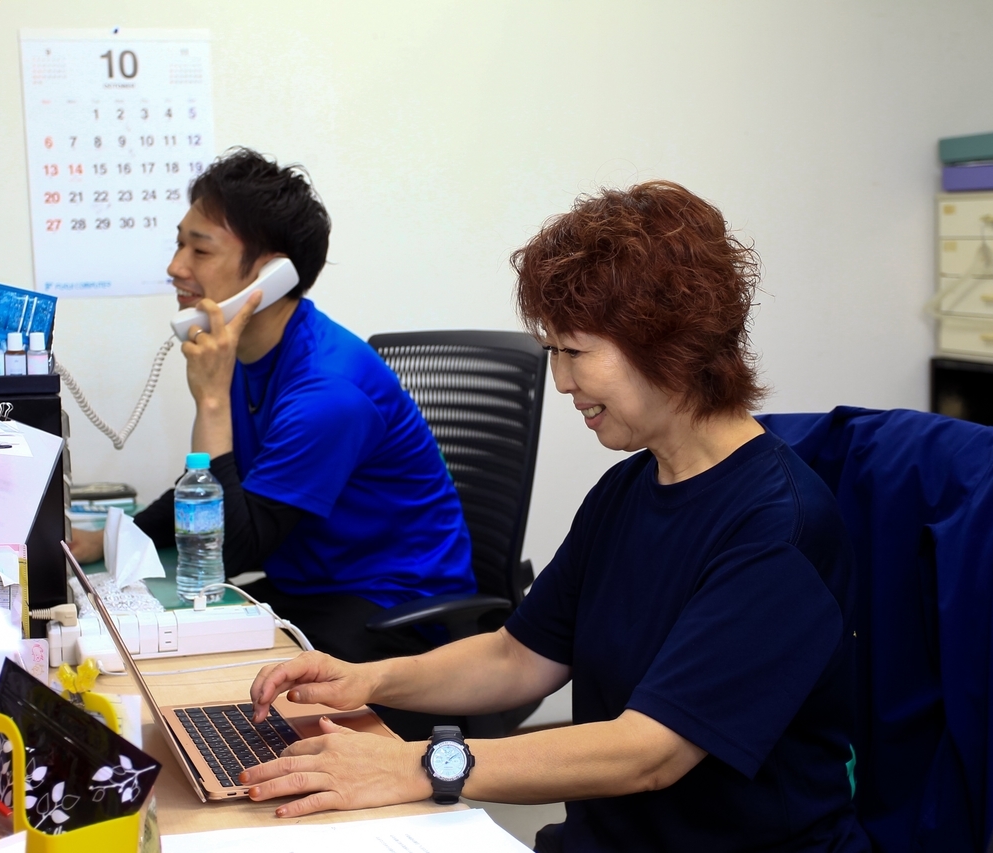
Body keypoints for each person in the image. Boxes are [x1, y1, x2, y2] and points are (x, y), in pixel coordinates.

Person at [240, 181, 871, 852]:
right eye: (553, 353)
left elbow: (650, 752)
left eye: (575, 352)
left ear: (670, 344)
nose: (562, 382)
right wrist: (366, 678)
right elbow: (517, 657)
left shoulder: (780, 528)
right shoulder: (628, 490)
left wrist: (416, 764)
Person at [69, 148, 475, 690]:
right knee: (145, 647)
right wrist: (101, 540)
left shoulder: (327, 391)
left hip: (393, 615)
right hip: (311, 588)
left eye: (200, 249)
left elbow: (230, 551)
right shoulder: (250, 351)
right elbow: (215, 489)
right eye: (179, 244)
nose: (176, 267)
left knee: (203, 687)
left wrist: (212, 402)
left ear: (271, 274)